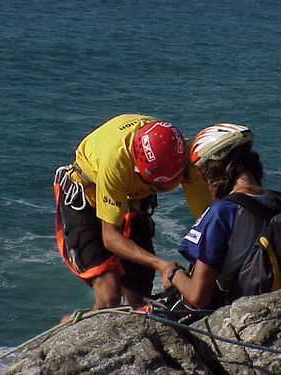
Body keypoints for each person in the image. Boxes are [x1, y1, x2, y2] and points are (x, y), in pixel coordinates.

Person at [53, 114, 212, 318]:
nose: (156, 188)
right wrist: (162, 266)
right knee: (108, 295)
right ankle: (69, 330)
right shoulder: (116, 161)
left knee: (138, 300)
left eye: (161, 186)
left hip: (132, 203)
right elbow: (110, 237)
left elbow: (207, 218)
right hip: (87, 200)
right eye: (151, 183)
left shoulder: (183, 157)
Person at [161, 123, 278, 310]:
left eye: (206, 175)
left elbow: (197, 297)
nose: (208, 185)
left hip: (236, 307)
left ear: (216, 170)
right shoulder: (274, 201)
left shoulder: (222, 212)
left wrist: (171, 273)